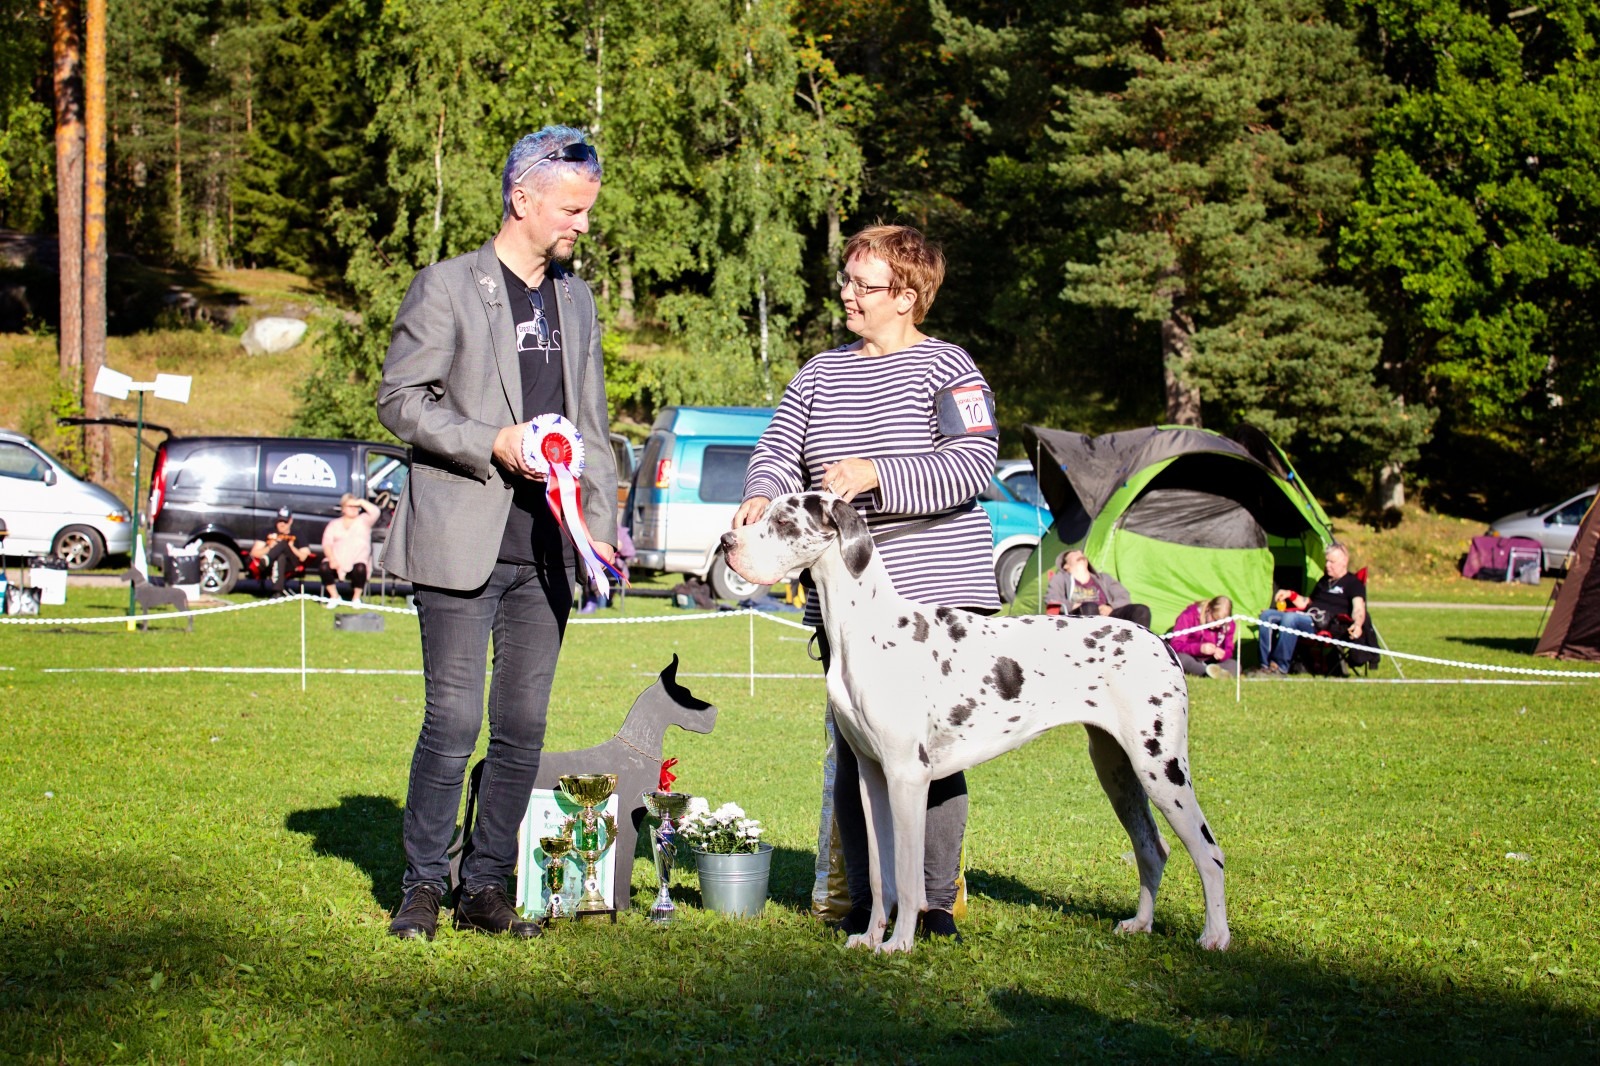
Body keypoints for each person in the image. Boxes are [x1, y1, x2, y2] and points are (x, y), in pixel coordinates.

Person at [376, 126, 616, 940]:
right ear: (522, 200)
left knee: (521, 730)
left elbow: (595, 427)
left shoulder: (576, 301)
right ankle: (421, 885)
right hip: (458, 538)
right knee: (453, 722)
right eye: (571, 208)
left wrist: (603, 530)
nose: (582, 224)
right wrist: (493, 441)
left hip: (547, 550)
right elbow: (401, 400)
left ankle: (485, 888)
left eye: (587, 209)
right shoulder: (444, 288)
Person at [734, 224, 998, 940]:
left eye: (863, 284)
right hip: (847, 603)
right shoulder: (820, 372)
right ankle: (869, 900)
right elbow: (777, 449)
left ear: (908, 295)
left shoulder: (950, 368)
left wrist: (878, 474)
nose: (846, 295)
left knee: (928, 755)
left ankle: (932, 903)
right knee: (858, 745)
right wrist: (762, 493)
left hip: (937, 592)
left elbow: (976, 463)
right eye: (846, 280)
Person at [1257, 543, 1366, 676]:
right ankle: (1265, 665)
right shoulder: (1324, 581)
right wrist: (1290, 594)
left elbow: (1358, 608)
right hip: (1308, 617)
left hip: (1327, 625)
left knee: (1291, 618)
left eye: (1332, 562)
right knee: (1267, 616)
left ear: (1344, 561)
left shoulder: (1353, 583)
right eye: (1326, 561)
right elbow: (1308, 603)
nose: (1327, 565)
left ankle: (1279, 667)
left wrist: (1358, 624)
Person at [1043, 550, 1152, 629]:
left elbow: (1123, 596)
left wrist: (1110, 607)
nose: (1079, 553)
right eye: (1074, 554)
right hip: (1078, 618)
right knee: (1090, 606)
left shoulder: (1103, 578)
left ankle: (1136, 648)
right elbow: (1052, 599)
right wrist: (1073, 606)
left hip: (1108, 615)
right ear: (1066, 565)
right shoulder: (1060, 578)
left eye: (1081, 553)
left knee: (1141, 610)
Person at [318, 494, 381, 608]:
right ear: (343, 508)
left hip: (357, 560)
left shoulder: (364, 520)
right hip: (337, 560)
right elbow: (326, 543)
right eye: (350, 506)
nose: (353, 508)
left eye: (356, 506)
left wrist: (360, 502)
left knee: (361, 568)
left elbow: (375, 511)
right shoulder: (334, 524)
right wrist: (332, 559)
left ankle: (356, 598)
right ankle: (334, 597)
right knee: (324, 567)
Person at [1170, 595, 1238, 679]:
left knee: (1235, 665)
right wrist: (1199, 648)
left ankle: (1214, 672)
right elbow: (1175, 645)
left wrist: (1223, 654)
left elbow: (1229, 649)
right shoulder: (1188, 616)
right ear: (1208, 609)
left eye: (1222, 623)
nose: (1218, 625)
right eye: (1215, 619)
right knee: (1181, 659)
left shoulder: (1229, 624)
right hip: (1191, 658)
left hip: (1213, 662)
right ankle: (1206, 672)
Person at [250, 506, 311, 595]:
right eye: (280, 521)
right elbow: (254, 553)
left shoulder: (298, 534)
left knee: (283, 544)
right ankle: (277, 592)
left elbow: (304, 557)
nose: (282, 524)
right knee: (281, 556)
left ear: (290, 521)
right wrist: (269, 547)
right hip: (271, 564)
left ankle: (267, 558)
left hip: (292, 565)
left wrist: (291, 547)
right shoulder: (267, 532)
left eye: (285, 522)